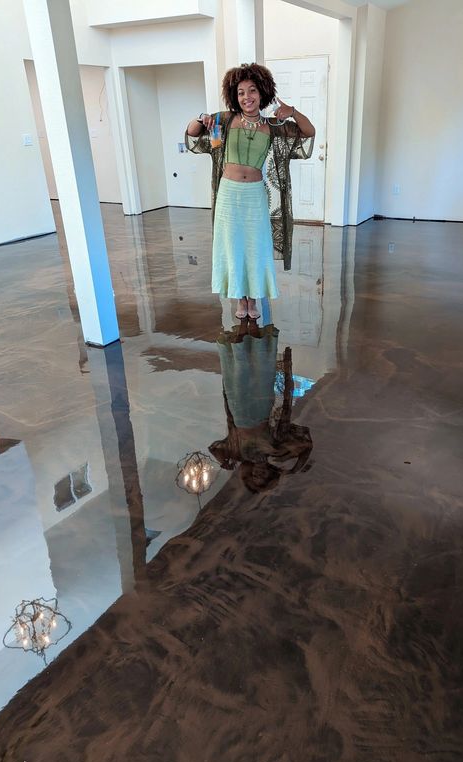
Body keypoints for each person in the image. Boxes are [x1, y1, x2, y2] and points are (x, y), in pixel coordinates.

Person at [185, 63, 315, 320]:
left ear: (262, 92)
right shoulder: (225, 119)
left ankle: (253, 299)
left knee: (255, 246)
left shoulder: (273, 125)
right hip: (228, 195)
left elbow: (308, 132)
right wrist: (202, 118)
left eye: (252, 90)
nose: (247, 97)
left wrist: (292, 112)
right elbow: (191, 133)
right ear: (235, 96)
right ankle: (240, 299)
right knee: (233, 246)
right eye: (241, 92)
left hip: (255, 194)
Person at [209, 321, 313, 493]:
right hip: (262, 409)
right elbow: (306, 447)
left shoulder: (239, 456)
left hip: (239, 412)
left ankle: (243, 321)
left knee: (239, 370)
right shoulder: (276, 451)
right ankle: (254, 324)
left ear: (249, 475)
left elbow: (215, 449)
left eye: (255, 477)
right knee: (262, 372)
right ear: (271, 473)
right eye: (264, 476)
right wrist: (292, 470)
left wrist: (223, 463)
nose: (260, 474)